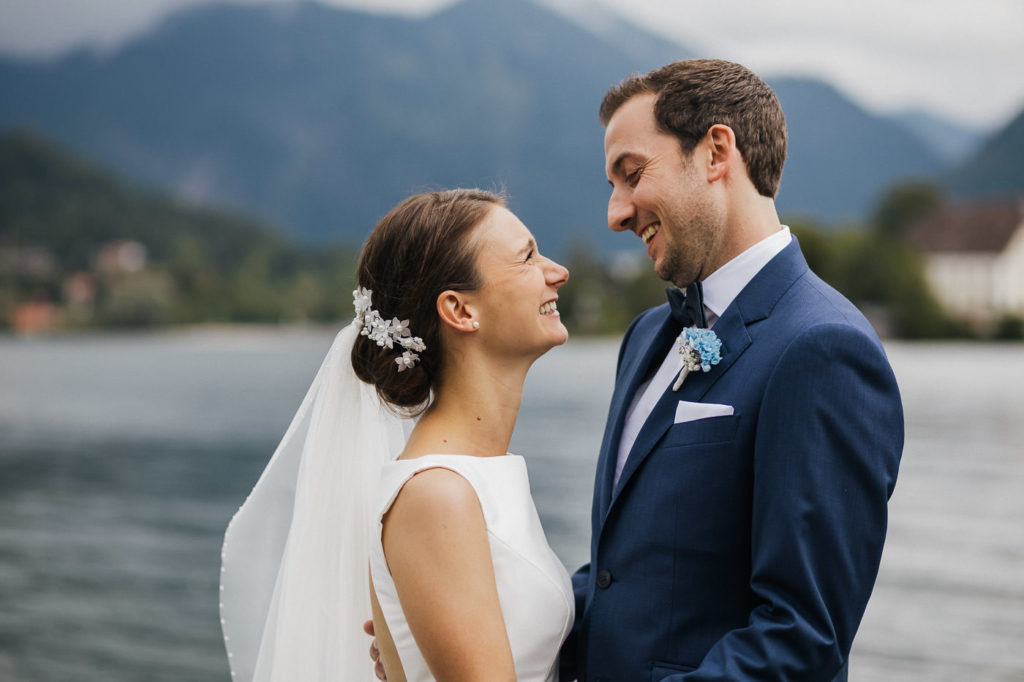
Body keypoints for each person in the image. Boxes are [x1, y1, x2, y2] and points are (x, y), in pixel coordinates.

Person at [558, 59, 904, 681]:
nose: (616, 212)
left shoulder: (824, 349)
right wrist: (467, 627)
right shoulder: (643, 339)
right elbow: (617, 578)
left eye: (632, 175)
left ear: (716, 151)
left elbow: (800, 641)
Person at [220, 189, 574, 681]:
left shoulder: (479, 473)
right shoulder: (438, 496)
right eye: (528, 257)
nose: (558, 271)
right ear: (460, 310)